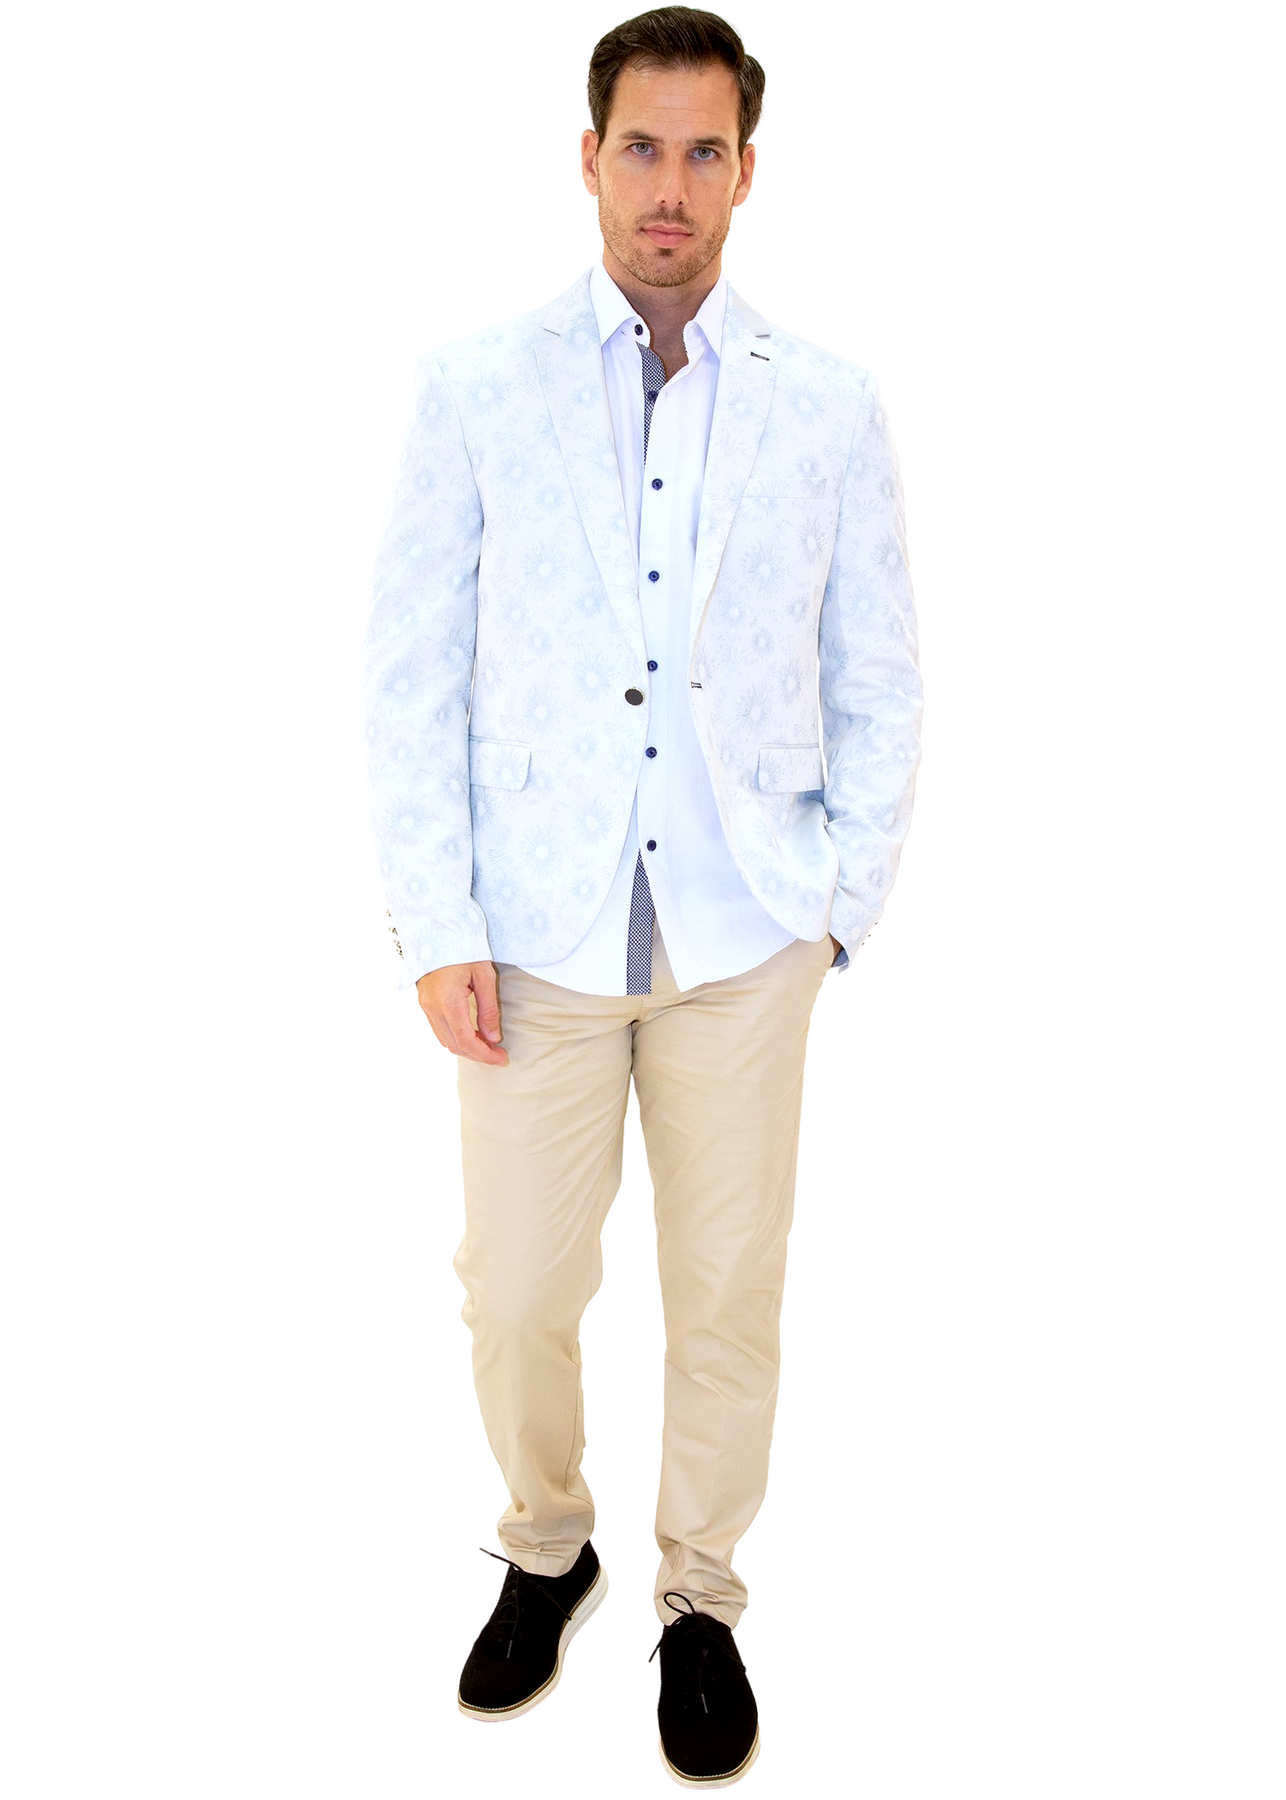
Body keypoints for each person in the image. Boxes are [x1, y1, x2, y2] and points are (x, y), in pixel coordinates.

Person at [362, 6, 922, 1784]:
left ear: (746, 172)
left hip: (745, 932)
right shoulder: (475, 385)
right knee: (516, 1287)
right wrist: (436, 921)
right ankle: (548, 1545)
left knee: (726, 1290)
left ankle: (699, 1598)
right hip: (530, 929)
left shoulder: (826, 402)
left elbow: (878, 671)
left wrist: (838, 905)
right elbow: (409, 672)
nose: (667, 186)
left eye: (702, 152)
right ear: (586, 158)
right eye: (639, 147)